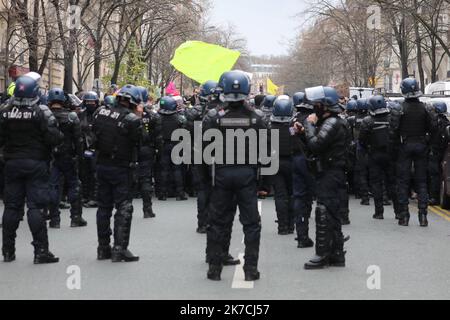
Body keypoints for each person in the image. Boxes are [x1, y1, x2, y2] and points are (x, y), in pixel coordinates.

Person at [204, 70, 266, 281]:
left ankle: (214, 269)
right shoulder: (257, 118)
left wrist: (207, 180)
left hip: (221, 174)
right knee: (251, 224)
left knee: (218, 222)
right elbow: (266, 154)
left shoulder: (213, 118)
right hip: (247, 175)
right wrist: (263, 182)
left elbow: (204, 151)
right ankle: (250, 270)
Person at [0, 75, 63, 264]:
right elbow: (54, 137)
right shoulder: (41, 112)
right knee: (36, 207)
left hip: (12, 164)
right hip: (36, 163)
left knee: (11, 206)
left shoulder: (5, 111)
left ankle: (8, 251)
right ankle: (41, 251)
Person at [295, 86, 349, 270]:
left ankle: (323, 253)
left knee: (324, 211)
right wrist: (304, 132)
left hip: (331, 172)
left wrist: (309, 126)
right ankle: (336, 253)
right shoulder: (328, 122)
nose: (314, 107)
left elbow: (317, 145)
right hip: (328, 171)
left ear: (325, 106)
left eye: (317, 104)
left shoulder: (332, 123)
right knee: (330, 211)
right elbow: (312, 147)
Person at [93, 84, 142, 262]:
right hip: (121, 167)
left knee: (103, 207)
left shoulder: (100, 113)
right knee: (123, 207)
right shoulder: (132, 120)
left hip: (102, 165)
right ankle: (120, 249)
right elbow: (140, 141)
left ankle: (102, 248)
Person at [395, 78, 435, 227]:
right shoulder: (425, 108)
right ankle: (423, 217)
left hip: (405, 145)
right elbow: (433, 129)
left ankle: (404, 216)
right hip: (421, 145)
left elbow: (393, 132)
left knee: (403, 181)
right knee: (421, 182)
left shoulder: (399, 108)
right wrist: (428, 144)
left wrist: (395, 150)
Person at [47, 88, 87, 229]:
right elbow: (79, 140)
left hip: (50, 157)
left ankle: (54, 219)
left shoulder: (45, 115)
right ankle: (75, 217)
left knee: (52, 186)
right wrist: (80, 157)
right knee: (74, 185)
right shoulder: (72, 117)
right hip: (68, 156)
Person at [359, 96, 398, 220]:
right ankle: (399, 212)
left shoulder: (367, 121)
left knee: (376, 184)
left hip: (374, 155)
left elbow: (362, 140)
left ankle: (379, 212)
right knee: (392, 183)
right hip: (390, 155)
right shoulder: (392, 118)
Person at [291, 92, 315, 248]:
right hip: (310, 160)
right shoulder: (313, 120)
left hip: (296, 159)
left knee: (299, 197)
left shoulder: (293, 119)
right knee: (314, 198)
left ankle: (301, 234)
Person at [270, 96, 296, 235]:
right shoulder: (294, 127)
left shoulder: (270, 127)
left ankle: (282, 226)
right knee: (292, 194)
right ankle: (291, 225)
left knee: (280, 195)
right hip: (291, 162)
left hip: (275, 164)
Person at [137, 86, 161, 219]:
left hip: (130, 150)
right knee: (146, 178)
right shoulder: (152, 115)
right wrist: (158, 151)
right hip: (147, 149)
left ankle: (123, 206)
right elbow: (158, 137)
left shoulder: (126, 113)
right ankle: (147, 209)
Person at [157, 96, 188, 201]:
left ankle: (162, 193)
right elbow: (185, 130)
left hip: (163, 145)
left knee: (164, 170)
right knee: (177, 169)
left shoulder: (158, 117)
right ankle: (180, 193)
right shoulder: (179, 118)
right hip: (176, 145)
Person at [79, 91, 100, 208]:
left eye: (92, 102)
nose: (90, 104)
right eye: (88, 102)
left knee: (95, 174)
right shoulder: (81, 115)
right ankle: (85, 196)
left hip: (96, 148)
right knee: (84, 173)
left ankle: (95, 197)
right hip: (83, 147)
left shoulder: (100, 114)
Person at [428, 101, 449, 206]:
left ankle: (433, 197)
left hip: (435, 152)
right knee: (442, 175)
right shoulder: (447, 122)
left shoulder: (435, 123)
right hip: (444, 153)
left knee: (434, 176)